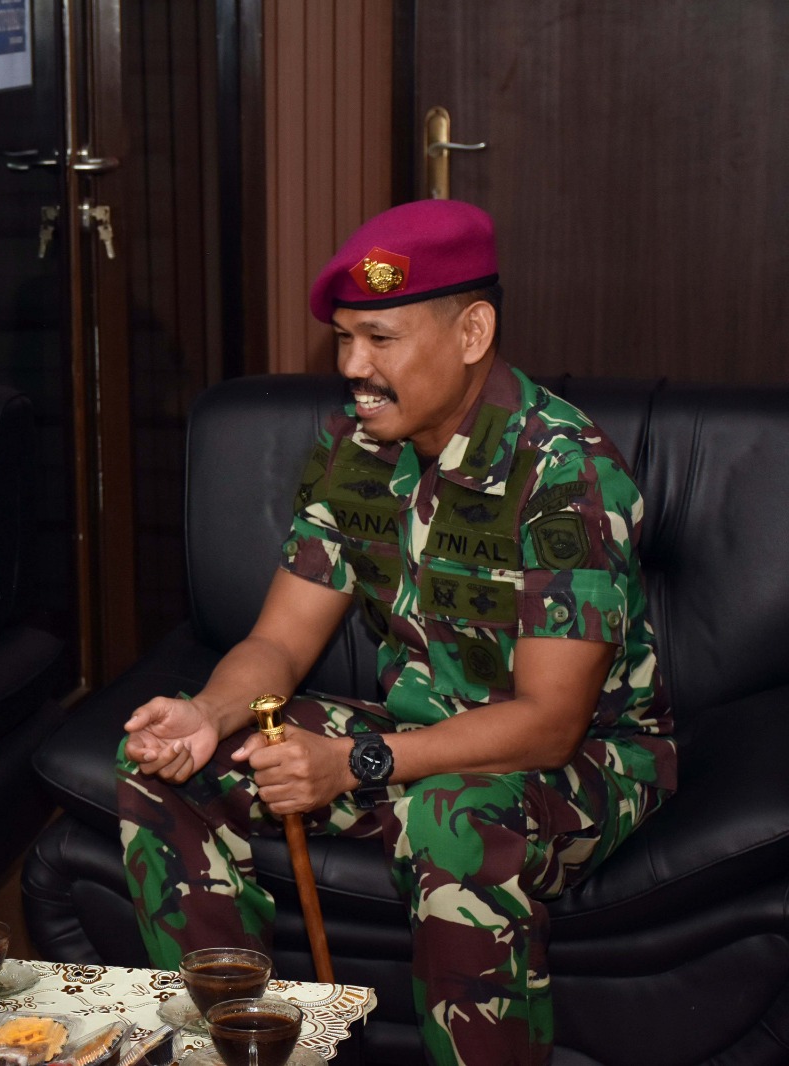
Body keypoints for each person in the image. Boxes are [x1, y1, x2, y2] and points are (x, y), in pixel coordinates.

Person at [116, 200, 674, 1065]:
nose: (352, 367)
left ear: (472, 332)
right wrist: (211, 713)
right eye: (344, 339)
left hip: (587, 759)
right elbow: (280, 644)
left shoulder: (566, 472)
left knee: (450, 817)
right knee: (168, 767)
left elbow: (550, 723)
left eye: (380, 338)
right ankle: (237, 1042)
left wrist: (355, 762)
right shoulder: (358, 449)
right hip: (417, 734)